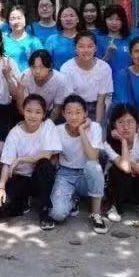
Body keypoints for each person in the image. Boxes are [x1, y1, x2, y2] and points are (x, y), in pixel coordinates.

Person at [0, 95, 60, 230]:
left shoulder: (48, 126)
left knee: (45, 164)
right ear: (23, 111)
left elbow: (47, 155)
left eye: (38, 112)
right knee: (2, 208)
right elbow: (6, 163)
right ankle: (24, 201)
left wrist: (21, 159)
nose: (33, 116)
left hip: (40, 178)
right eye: (29, 111)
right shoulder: (15, 133)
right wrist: (1, 187)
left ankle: (44, 211)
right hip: (21, 177)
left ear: (44, 114)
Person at [49, 95, 107, 234]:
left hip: (87, 174)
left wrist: (82, 130)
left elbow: (93, 157)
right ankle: (72, 200)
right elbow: (53, 157)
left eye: (78, 112)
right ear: (63, 114)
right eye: (69, 112)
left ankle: (96, 214)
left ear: (86, 113)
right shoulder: (57, 130)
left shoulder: (95, 127)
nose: (74, 117)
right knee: (57, 214)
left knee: (94, 166)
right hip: (65, 174)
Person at [60, 32, 113, 123]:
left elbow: (101, 101)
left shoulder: (104, 68)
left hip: (96, 107)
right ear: (75, 48)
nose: (86, 50)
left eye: (90, 46)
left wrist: (97, 125)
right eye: (81, 46)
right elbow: (70, 100)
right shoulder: (66, 69)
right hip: (74, 108)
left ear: (95, 48)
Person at [15, 50, 72, 122]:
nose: (37, 71)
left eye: (41, 67)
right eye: (33, 67)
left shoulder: (60, 80)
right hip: (29, 113)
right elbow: (21, 110)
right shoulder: (24, 76)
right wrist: (20, 89)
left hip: (49, 112)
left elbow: (57, 107)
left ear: (50, 66)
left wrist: (48, 125)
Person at [95, 3, 132, 81]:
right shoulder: (98, 40)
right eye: (110, 19)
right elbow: (95, 68)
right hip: (106, 83)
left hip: (126, 82)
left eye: (118, 19)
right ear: (105, 20)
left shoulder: (129, 40)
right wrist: (108, 55)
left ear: (123, 21)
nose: (114, 23)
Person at [3, 5, 43, 72]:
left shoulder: (34, 41)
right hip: (7, 77)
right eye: (12, 19)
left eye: (19, 18)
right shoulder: (3, 41)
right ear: (8, 22)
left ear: (25, 19)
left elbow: (42, 62)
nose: (16, 22)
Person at [44, 5, 85, 70]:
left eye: (71, 16)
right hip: (57, 75)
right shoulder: (52, 39)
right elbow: (46, 63)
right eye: (65, 16)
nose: (68, 19)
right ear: (60, 19)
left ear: (78, 19)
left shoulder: (85, 38)